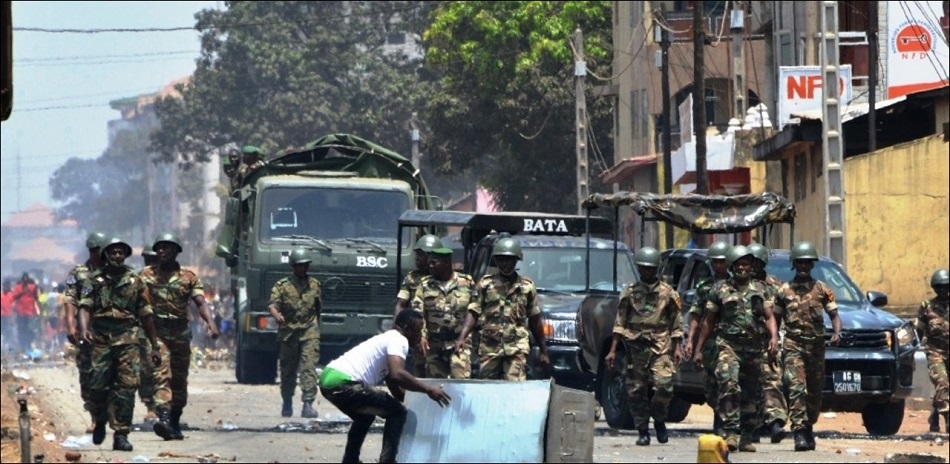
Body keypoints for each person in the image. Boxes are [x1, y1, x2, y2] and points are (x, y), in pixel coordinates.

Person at [319, 309, 451, 464]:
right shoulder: (399, 340)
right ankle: (387, 460)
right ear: (407, 329)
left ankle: (350, 460)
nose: (420, 336)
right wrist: (428, 389)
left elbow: (394, 387)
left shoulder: (387, 339)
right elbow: (397, 374)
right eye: (418, 331)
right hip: (344, 382)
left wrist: (416, 405)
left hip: (327, 381)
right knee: (397, 412)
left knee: (364, 416)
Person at [78, 237, 161, 452]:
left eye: (120, 252)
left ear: (125, 255)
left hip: (127, 338)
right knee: (97, 386)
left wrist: (154, 345)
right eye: (112, 252)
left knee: (127, 387)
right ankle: (100, 418)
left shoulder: (135, 281)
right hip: (101, 339)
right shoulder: (92, 281)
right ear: (106, 254)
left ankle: (122, 433)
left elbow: (146, 314)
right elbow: (84, 307)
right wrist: (84, 328)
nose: (116, 256)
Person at [693, 245, 779, 453]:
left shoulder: (761, 289)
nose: (742, 268)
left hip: (754, 348)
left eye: (746, 264)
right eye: (738, 264)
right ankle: (731, 432)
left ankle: (746, 437)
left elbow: (769, 317)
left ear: (751, 267)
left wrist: (774, 337)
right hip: (727, 345)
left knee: (752, 393)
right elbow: (708, 322)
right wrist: (698, 348)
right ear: (732, 267)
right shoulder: (720, 290)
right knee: (729, 383)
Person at [140, 232, 219, 441]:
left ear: (176, 251)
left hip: (180, 335)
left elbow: (200, 302)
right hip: (157, 335)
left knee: (179, 381)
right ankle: (163, 419)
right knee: (161, 375)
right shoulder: (145, 276)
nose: (162, 251)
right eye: (160, 247)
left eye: (167, 247)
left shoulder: (189, 277)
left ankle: (174, 421)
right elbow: (134, 302)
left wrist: (210, 323)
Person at [604, 246, 683, 446]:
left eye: (650, 268)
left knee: (664, 386)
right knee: (635, 390)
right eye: (643, 268)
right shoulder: (630, 293)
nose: (647, 271)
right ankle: (642, 430)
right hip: (635, 346)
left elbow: (676, 322)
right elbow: (620, 322)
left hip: (661, 345)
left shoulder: (667, 293)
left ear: (656, 269)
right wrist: (613, 350)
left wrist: (678, 347)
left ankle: (659, 420)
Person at [772, 241, 842, 451]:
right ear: (794, 264)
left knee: (814, 391)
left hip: (816, 348)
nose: (803, 266)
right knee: (796, 388)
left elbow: (834, 315)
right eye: (800, 263)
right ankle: (799, 432)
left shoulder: (822, 289)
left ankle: (809, 425)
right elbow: (774, 317)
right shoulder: (784, 290)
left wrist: (837, 332)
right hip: (794, 345)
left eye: (807, 263)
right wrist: (774, 337)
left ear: (812, 265)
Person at [455, 236, 550, 381]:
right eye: (501, 260)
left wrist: (543, 351)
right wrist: (462, 337)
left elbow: (535, 319)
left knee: (515, 387)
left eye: (509, 260)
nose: (505, 264)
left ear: (516, 260)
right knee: (487, 387)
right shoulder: (486, 285)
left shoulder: (527, 287)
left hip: (516, 347)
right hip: (490, 346)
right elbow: (474, 311)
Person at [268, 248, 322, 418]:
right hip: (288, 333)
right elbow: (272, 305)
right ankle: (287, 402)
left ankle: (307, 404)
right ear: (293, 266)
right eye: (299, 265)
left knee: (309, 368)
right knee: (288, 370)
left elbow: (318, 309)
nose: (303, 268)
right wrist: (277, 315)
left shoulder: (315, 285)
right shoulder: (282, 286)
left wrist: (316, 329)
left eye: (305, 265)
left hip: (309, 331)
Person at [684, 241, 730, 436]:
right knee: (711, 386)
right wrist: (691, 342)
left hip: (730, 341)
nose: (719, 265)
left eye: (722, 261)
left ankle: (725, 423)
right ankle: (718, 413)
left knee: (727, 381)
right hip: (709, 340)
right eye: (715, 262)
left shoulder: (737, 285)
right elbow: (695, 315)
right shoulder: (704, 287)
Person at [63, 231, 107, 432]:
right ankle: (96, 417)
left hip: (111, 330)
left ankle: (114, 414)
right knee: (88, 375)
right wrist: (72, 327)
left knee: (113, 374)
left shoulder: (114, 271)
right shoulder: (78, 273)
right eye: (96, 250)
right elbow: (70, 299)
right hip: (86, 332)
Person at [411, 247, 475, 379]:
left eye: (434, 263)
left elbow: (474, 311)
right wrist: (422, 336)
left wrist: (467, 337)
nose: (430, 266)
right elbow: (418, 312)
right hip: (434, 345)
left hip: (459, 343)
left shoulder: (466, 283)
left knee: (461, 382)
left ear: (446, 263)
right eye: (430, 262)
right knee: (435, 384)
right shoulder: (425, 285)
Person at [747, 242, 788, 444]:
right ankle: (752, 425)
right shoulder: (739, 285)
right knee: (749, 384)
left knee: (772, 380)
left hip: (768, 341)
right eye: (750, 262)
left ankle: (775, 423)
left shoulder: (776, 286)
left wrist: (779, 338)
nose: (753, 266)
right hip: (743, 342)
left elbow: (786, 312)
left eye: (757, 262)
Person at [395, 234, 443, 377]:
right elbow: (401, 304)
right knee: (420, 369)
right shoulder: (412, 278)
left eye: (421, 255)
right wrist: (397, 327)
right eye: (417, 254)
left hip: (438, 332)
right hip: (418, 330)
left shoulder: (442, 278)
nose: (417, 258)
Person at [916, 268, 949, 433]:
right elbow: (919, 330)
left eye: (946, 287)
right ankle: (948, 417)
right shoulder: (927, 307)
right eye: (939, 287)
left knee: (944, 388)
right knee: (942, 383)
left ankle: (935, 411)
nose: (943, 290)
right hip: (935, 351)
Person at [137, 241, 159, 422]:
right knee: (146, 368)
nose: (150, 262)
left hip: (166, 328)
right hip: (144, 329)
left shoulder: (170, 276)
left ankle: (165, 405)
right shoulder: (137, 279)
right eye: (147, 259)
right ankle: (151, 404)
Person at [12, 272, 40, 351]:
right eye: (24, 280)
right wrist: (22, 292)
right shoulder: (18, 288)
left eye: (26, 280)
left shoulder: (32, 287)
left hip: (30, 312)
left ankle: (28, 344)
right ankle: (22, 345)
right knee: (21, 329)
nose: (25, 282)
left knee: (29, 329)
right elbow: (14, 297)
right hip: (20, 312)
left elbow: (36, 298)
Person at [1, 280, 14, 351]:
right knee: (5, 332)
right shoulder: (1, 295)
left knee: (9, 332)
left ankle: (8, 347)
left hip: (9, 317)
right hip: (3, 317)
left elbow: (14, 306)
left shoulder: (11, 295)